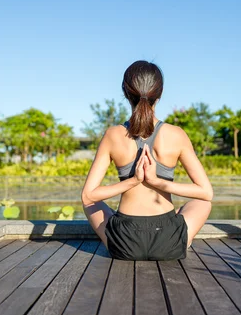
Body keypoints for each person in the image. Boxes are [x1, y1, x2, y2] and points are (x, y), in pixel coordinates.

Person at [81, 60, 213, 261]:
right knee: (203, 203)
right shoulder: (176, 134)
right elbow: (206, 193)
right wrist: (158, 182)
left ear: (126, 92)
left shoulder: (113, 134)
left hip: (125, 242)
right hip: (169, 241)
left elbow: (88, 196)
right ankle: (182, 239)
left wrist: (132, 181)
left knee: (90, 204)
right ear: (158, 95)